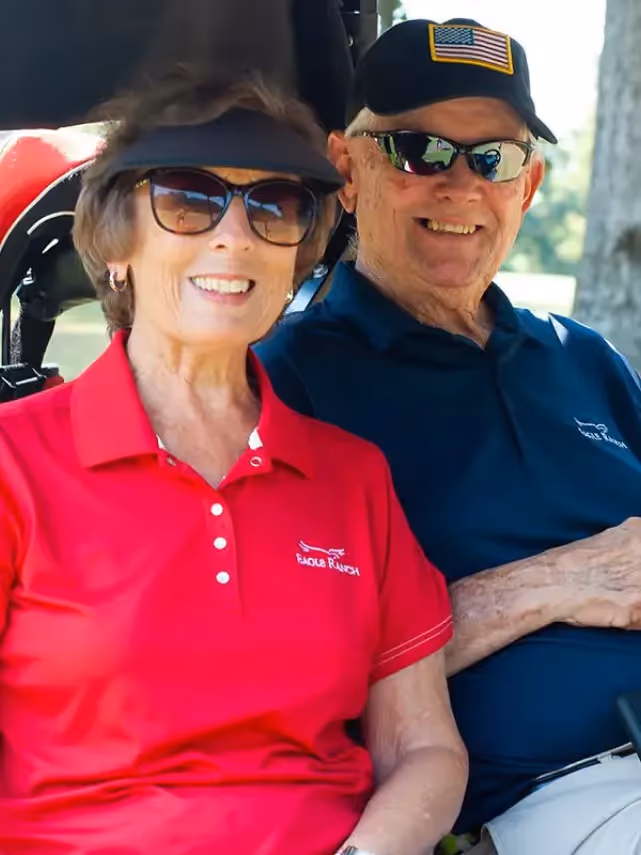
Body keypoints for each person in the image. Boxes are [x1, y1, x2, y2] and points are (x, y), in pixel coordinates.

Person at [0, 70, 467, 854]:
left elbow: (422, 747)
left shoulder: (352, 477)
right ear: (116, 246)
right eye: (188, 200)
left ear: (295, 257)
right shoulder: (15, 460)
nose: (235, 236)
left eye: (274, 206)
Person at [256, 17, 641, 855]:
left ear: (528, 186)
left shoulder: (585, 360)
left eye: (493, 158)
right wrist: (554, 582)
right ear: (347, 171)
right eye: (417, 151)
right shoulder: (284, 381)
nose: (460, 184)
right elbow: (289, 671)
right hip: (560, 789)